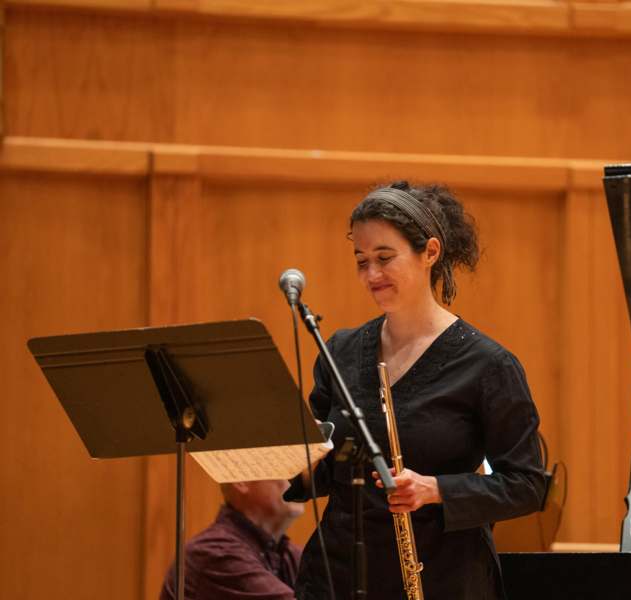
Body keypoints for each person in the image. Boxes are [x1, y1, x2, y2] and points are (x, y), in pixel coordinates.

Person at [285, 181, 546, 599]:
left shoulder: (488, 366)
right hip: (340, 577)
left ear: (430, 252)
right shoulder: (340, 350)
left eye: (385, 258)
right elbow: (319, 477)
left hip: (441, 578)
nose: (372, 274)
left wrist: (435, 489)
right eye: (361, 260)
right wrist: (294, 453)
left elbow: (527, 484)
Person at [160, 479, 304, 600]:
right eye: (283, 467)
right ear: (241, 481)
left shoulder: (286, 553)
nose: (297, 479)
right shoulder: (214, 553)